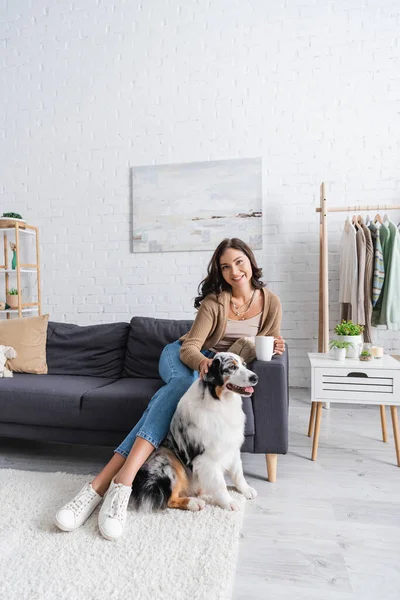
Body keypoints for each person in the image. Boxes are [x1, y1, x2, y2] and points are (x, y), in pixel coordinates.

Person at [54, 237, 285, 540]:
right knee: (181, 385)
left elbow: (268, 344)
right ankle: (118, 485)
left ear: (250, 261)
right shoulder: (215, 302)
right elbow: (189, 347)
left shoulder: (270, 302)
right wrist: (204, 362)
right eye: (225, 266)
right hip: (181, 358)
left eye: (239, 262)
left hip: (221, 368)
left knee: (172, 395)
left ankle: (106, 485)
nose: (234, 271)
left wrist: (272, 346)